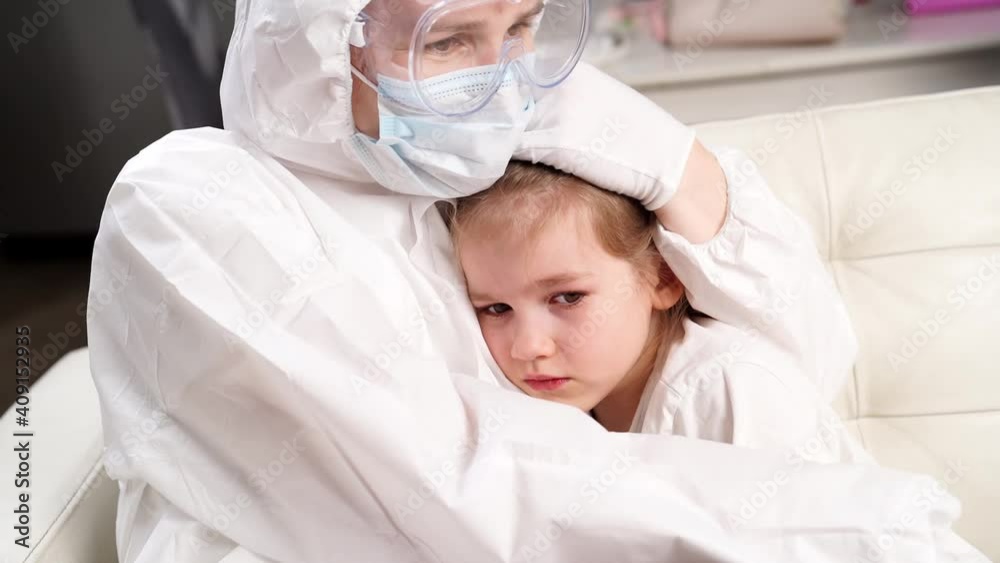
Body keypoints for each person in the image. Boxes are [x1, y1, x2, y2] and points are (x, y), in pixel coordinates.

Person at [87, 0, 985, 561]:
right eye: (449, 42)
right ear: (322, 38)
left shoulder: (457, 176)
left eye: (519, 28)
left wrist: (667, 160)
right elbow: (456, 494)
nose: (500, 82)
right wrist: (854, 528)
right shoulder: (191, 203)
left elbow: (806, 352)